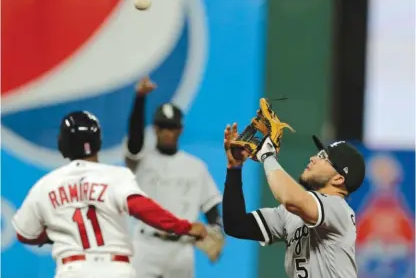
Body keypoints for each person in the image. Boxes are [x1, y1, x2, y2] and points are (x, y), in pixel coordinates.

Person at [12, 111, 207, 278]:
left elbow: (24, 233)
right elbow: (143, 209)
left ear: (63, 145)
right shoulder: (116, 176)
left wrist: (52, 233)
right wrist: (185, 227)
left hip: (72, 270)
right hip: (115, 270)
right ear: (98, 141)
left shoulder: (46, 185)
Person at [222, 123, 365, 278]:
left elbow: (290, 198)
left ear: (338, 178)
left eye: (323, 157)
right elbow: (236, 224)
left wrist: (267, 156)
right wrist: (234, 169)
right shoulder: (293, 213)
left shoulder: (338, 209)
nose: (313, 158)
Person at [125, 77, 224, 278]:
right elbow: (135, 140)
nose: (167, 133)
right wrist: (140, 99)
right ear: (155, 129)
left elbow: (211, 206)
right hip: (146, 245)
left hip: (181, 250)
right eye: (163, 127)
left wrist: (216, 231)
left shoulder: (196, 167)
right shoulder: (141, 160)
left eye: (172, 127)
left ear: (180, 129)